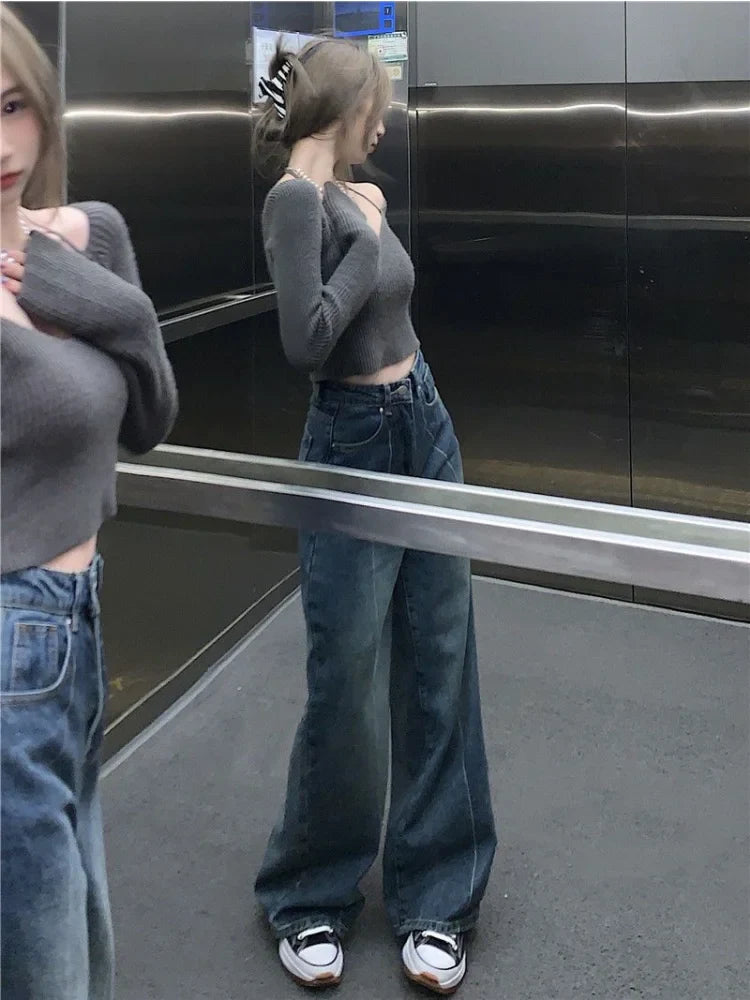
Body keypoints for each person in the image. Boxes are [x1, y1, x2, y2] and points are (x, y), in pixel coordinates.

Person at [254, 38, 496, 995]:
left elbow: (391, 313)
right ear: (342, 106)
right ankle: (309, 894)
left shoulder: (358, 194)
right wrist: (361, 238)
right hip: (351, 437)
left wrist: (367, 221)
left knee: (440, 656)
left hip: (422, 422)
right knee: (347, 679)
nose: (383, 126)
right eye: (375, 109)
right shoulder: (296, 201)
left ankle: (439, 898)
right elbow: (306, 339)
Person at [0, 6, 178, 998]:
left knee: (83, 937)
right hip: (7, 635)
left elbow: (150, 419)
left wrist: (120, 310)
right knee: (44, 966)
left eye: (11, 106)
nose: (0, 144)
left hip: (75, 627)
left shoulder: (91, 234)